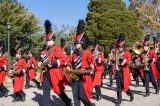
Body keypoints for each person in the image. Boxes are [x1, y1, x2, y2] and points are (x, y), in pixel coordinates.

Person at [38, 20, 71, 106]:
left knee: (57, 90)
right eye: (47, 40)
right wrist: (40, 62)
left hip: (54, 72)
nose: (47, 42)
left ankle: (67, 101)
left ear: (52, 40)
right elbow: (45, 59)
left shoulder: (56, 48)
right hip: (46, 72)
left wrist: (53, 64)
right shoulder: (46, 50)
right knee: (45, 89)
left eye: (48, 40)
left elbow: (64, 59)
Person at [71, 19, 95, 106]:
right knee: (75, 96)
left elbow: (93, 63)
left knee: (81, 95)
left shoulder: (87, 52)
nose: (75, 45)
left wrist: (90, 67)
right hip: (75, 76)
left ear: (81, 43)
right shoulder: (73, 54)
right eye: (75, 43)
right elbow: (73, 64)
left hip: (83, 77)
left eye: (77, 43)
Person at [115, 33, 134, 106]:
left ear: (123, 47)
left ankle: (130, 93)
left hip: (124, 72)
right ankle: (119, 100)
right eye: (119, 47)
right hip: (118, 71)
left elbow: (128, 61)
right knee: (118, 87)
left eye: (121, 47)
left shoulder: (127, 53)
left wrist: (123, 59)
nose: (120, 48)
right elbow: (113, 60)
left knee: (124, 86)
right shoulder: (116, 53)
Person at [92, 36, 105, 101]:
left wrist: (97, 58)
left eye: (96, 46)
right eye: (95, 46)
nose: (95, 48)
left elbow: (102, 60)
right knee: (94, 83)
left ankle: (98, 94)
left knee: (96, 83)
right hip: (93, 70)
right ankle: (98, 93)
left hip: (99, 70)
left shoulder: (100, 54)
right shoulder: (93, 53)